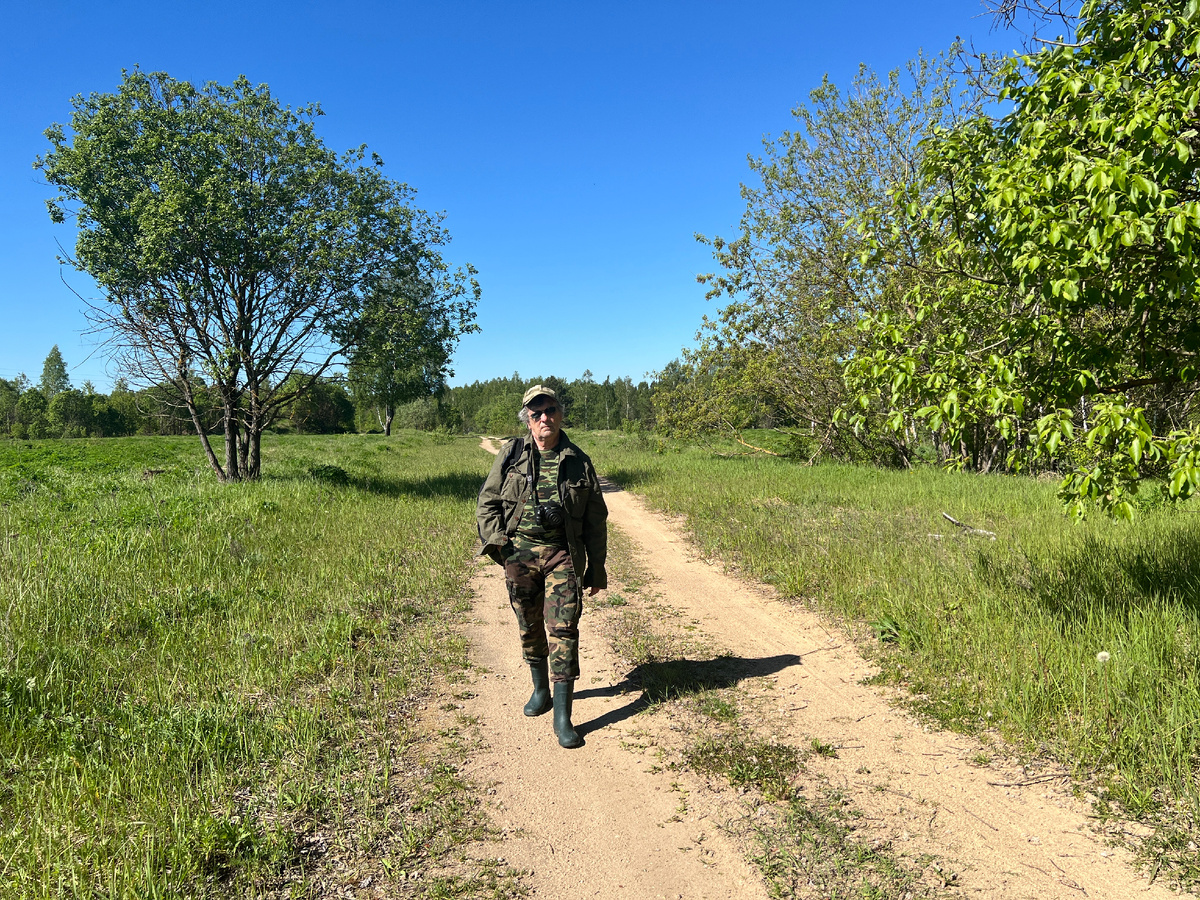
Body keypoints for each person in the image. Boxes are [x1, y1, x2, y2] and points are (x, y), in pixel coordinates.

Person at [476, 385, 608, 748]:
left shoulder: (578, 460)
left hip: (561, 554)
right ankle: (540, 690)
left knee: (563, 629)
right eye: (536, 414)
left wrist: (596, 569)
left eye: (550, 410)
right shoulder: (512, 454)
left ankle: (563, 717)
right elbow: (487, 503)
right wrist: (500, 547)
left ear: (560, 414)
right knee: (529, 625)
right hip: (519, 554)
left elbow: (596, 519)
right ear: (528, 420)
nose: (544, 418)